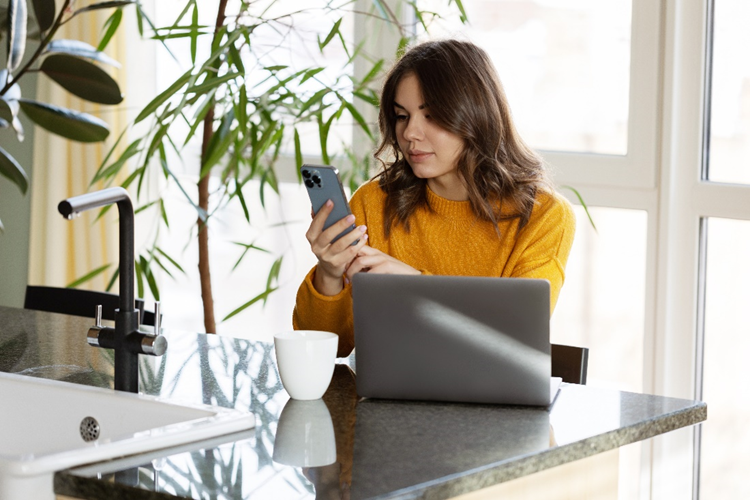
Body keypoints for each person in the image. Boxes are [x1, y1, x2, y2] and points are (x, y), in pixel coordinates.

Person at [293, 39, 576, 358]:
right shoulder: (373, 203)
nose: (410, 133)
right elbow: (330, 349)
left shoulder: (544, 215)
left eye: (431, 116)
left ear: (476, 115)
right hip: (386, 398)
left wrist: (413, 285)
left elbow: (518, 331)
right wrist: (329, 275)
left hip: (494, 403)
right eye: (402, 116)